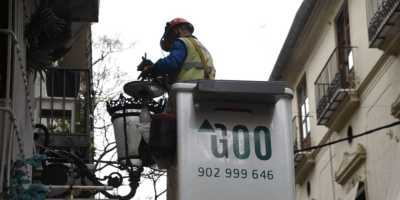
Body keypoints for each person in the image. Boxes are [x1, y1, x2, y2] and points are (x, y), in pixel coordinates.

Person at [138, 18, 216, 85]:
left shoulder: (182, 42)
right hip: (204, 97)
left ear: (175, 32)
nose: (172, 45)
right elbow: (169, 80)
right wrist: (155, 72)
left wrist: (152, 67)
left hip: (186, 95)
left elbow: (171, 63)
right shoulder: (202, 49)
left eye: (171, 40)